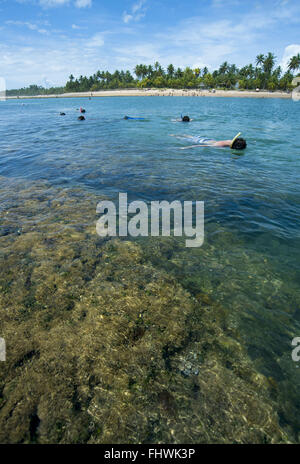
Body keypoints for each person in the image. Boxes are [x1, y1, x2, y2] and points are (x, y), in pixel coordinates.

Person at [170, 132, 247, 150]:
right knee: (182, 139)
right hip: (201, 141)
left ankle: (176, 134)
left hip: (207, 139)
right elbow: (202, 146)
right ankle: (174, 136)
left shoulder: (229, 140)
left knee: (191, 136)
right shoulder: (220, 145)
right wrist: (187, 147)